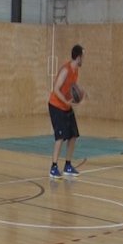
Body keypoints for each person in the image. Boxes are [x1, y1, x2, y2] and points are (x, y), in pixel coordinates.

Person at [47, 44, 84, 179]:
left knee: (73, 135)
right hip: (56, 106)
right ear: (78, 57)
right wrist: (66, 101)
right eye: (83, 56)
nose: (83, 59)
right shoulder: (66, 70)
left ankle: (68, 165)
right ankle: (53, 167)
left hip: (66, 106)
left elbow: (72, 87)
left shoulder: (75, 71)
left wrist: (81, 92)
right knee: (60, 137)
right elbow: (56, 88)